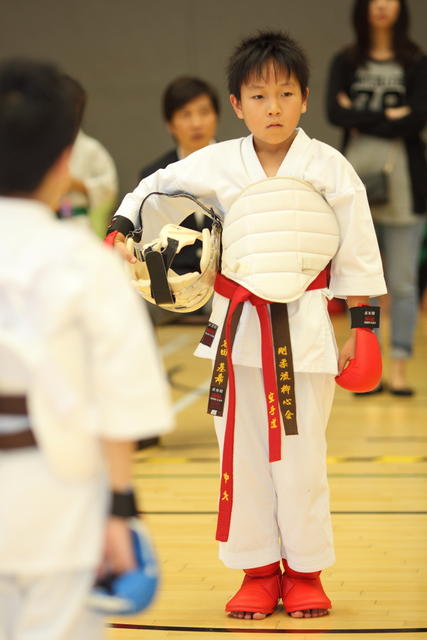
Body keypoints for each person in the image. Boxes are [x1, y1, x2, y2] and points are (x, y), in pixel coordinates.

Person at [107, 31, 386, 620]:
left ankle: (306, 572)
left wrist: (364, 331)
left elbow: (358, 252)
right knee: (244, 462)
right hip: (235, 334)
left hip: (306, 334)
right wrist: (122, 229)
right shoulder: (216, 164)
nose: (274, 107)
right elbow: (147, 189)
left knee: (302, 461)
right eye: (259, 96)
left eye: (286, 94)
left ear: (306, 99)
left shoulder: (329, 168)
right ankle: (258, 571)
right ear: (237, 104)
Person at [0, 59, 172, 639]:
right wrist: (122, 509)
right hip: (58, 499)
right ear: (63, 162)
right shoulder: (85, 265)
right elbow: (122, 404)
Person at [326, 0, 427, 395]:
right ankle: (367, 367)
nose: (382, 5)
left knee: (402, 285)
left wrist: (361, 114)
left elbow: (420, 115)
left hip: (404, 186)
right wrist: (393, 117)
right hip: (357, 184)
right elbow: (335, 113)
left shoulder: (416, 62)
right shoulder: (345, 61)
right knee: (359, 282)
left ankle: (397, 368)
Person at [139, 77, 220, 326]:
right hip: (177, 292)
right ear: (170, 124)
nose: (196, 123)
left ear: (216, 117)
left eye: (204, 112)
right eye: (186, 114)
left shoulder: (237, 166)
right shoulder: (153, 177)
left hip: (228, 285)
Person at [57, 76, 118, 239]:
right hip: (41, 222)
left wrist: (77, 185)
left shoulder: (91, 149)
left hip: (78, 223)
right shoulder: (34, 146)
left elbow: (109, 188)